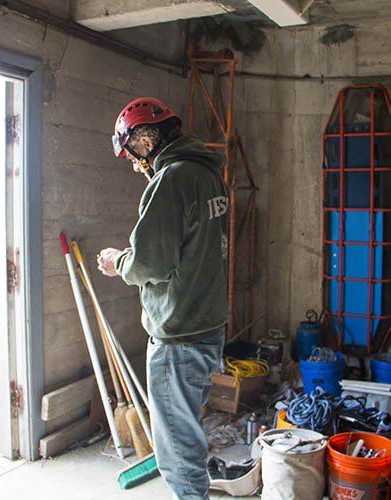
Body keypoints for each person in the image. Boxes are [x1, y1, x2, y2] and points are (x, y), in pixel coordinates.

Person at [97, 97, 229, 500]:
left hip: (179, 333)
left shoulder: (170, 178)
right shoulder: (207, 174)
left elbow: (150, 262)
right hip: (208, 325)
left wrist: (116, 262)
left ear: (146, 140)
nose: (136, 162)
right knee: (186, 427)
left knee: (175, 446)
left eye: (134, 151)